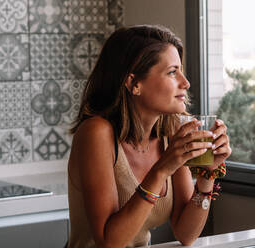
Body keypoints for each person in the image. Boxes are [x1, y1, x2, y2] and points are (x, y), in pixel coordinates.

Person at [67, 24, 231, 248]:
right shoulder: (96, 133)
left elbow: (186, 234)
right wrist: (162, 169)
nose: (186, 82)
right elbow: (109, 243)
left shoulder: (172, 132)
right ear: (134, 83)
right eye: (172, 72)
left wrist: (207, 174)